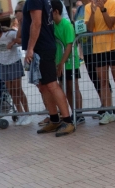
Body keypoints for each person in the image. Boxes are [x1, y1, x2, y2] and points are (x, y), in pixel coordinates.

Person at [23, 0, 76, 135]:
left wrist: (30, 48)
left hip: (41, 48)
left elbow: (37, 22)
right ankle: (54, 119)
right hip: (42, 47)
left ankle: (67, 121)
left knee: (51, 84)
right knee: (43, 85)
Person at [85, 0, 115, 124]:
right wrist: (93, 13)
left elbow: (110, 25)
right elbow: (90, 29)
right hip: (98, 49)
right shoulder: (89, 6)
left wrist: (103, 9)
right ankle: (108, 112)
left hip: (114, 46)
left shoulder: (113, 3)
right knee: (103, 81)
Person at [0, 20, 31, 125]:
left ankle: (28, 114)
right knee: (11, 91)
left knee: (18, 89)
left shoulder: (10, 34)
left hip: (14, 62)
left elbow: (22, 40)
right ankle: (21, 114)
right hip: (2, 64)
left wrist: (13, 42)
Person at [50, 0, 84, 124]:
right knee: (65, 88)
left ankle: (79, 113)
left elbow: (69, 46)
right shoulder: (53, 25)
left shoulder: (66, 24)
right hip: (59, 62)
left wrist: (61, 63)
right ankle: (71, 112)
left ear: (56, 11)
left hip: (70, 62)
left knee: (73, 87)